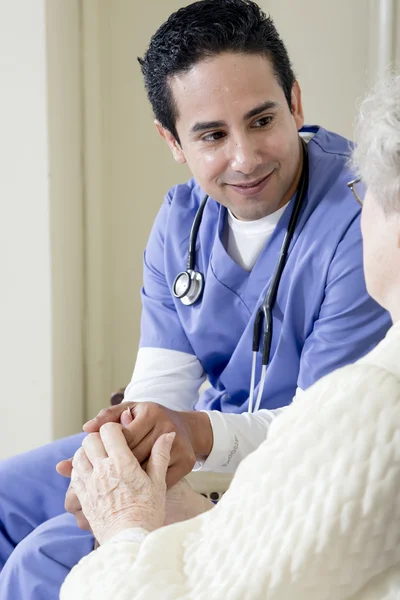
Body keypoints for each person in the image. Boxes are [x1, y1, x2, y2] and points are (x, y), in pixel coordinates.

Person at [0, 1, 391, 598]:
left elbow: (323, 437)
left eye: (262, 120)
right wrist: (122, 451)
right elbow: (160, 388)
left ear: (295, 102)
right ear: (173, 140)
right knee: (7, 495)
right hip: (194, 443)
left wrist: (192, 443)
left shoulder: (362, 217)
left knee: (45, 556)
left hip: (277, 465)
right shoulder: (181, 221)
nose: (245, 157)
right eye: (211, 134)